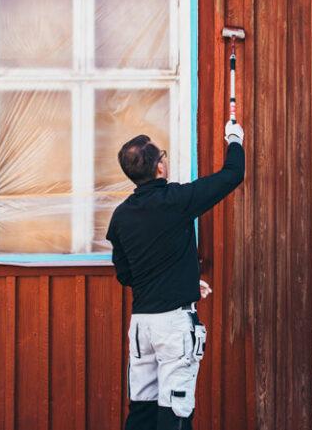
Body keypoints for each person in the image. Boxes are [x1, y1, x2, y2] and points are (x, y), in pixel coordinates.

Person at [106, 120, 245, 430]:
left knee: (141, 412)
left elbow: (127, 274)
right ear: (160, 165)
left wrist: (181, 279)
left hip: (142, 327)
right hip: (173, 327)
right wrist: (234, 140)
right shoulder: (176, 200)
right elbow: (232, 175)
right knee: (175, 413)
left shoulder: (121, 216)